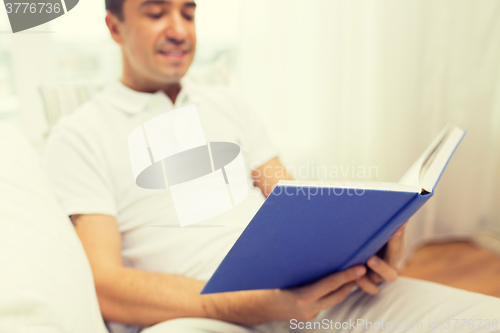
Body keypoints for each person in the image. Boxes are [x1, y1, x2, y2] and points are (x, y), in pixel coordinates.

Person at [43, 0, 500, 332]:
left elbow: (295, 204)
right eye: (156, 12)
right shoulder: (80, 133)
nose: (180, 29)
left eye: (189, 11)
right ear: (115, 27)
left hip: (305, 295)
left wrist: (362, 246)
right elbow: (105, 284)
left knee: (482, 320)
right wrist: (244, 305)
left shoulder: (226, 104)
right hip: (195, 317)